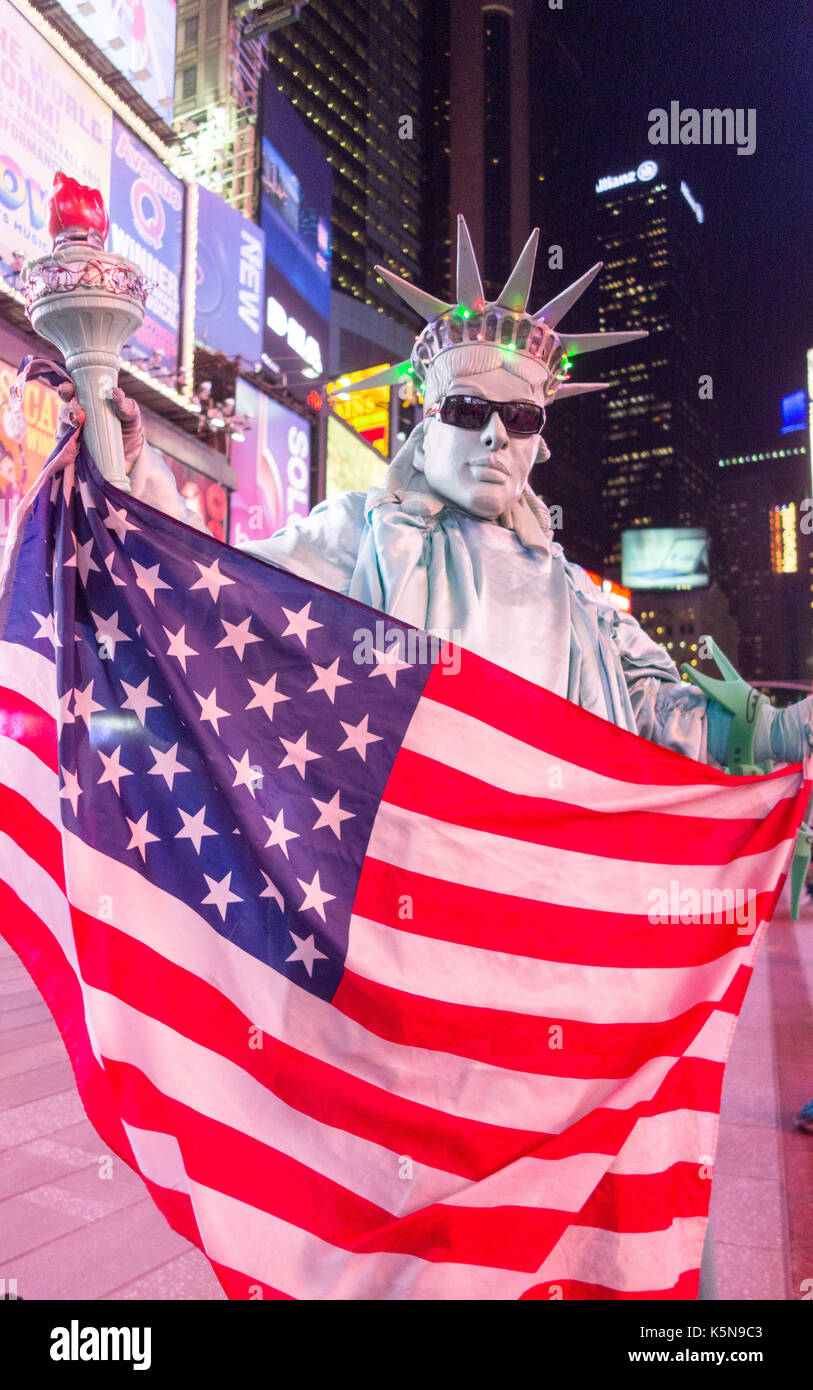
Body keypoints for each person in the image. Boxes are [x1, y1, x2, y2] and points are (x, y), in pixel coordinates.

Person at [56, 217, 813, 1299]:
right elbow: (223, 590)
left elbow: (681, 717)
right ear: (424, 416)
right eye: (472, 411)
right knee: (394, 1198)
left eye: (522, 418)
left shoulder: (578, 600)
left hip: (546, 938)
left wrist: (788, 732)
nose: (500, 439)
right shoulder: (358, 534)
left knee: (549, 1203)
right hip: (399, 929)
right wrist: (116, 440)